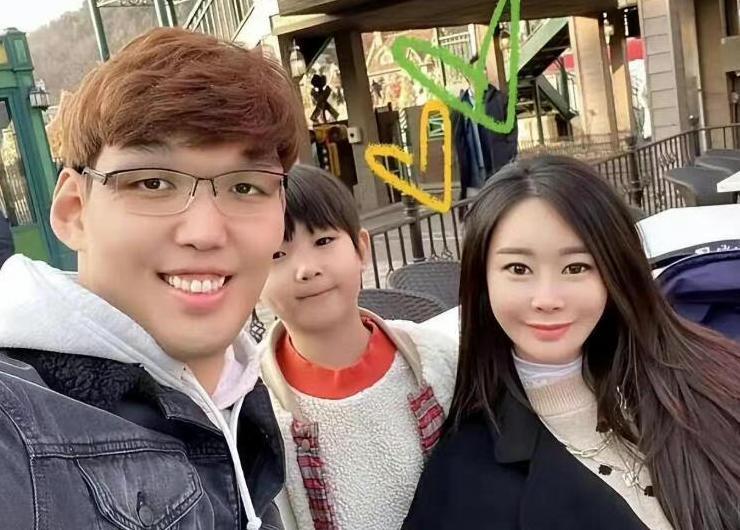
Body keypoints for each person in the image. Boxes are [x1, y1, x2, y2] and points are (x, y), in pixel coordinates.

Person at [0, 27, 306, 529]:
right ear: (74, 210)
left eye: (245, 187)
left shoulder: (240, 391)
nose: (205, 232)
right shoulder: (16, 430)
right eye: (153, 183)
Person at [403, 156, 740, 530]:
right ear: (482, 282)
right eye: (518, 269)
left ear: (615, 270)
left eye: (576, 267)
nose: (547, 299)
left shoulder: (714, 379)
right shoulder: (463, 480)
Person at [258, 165, 458, 530]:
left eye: (323, 241)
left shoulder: (437, 359)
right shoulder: (251, 407)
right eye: (276, 255)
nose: (306, 269)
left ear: (361, 249)